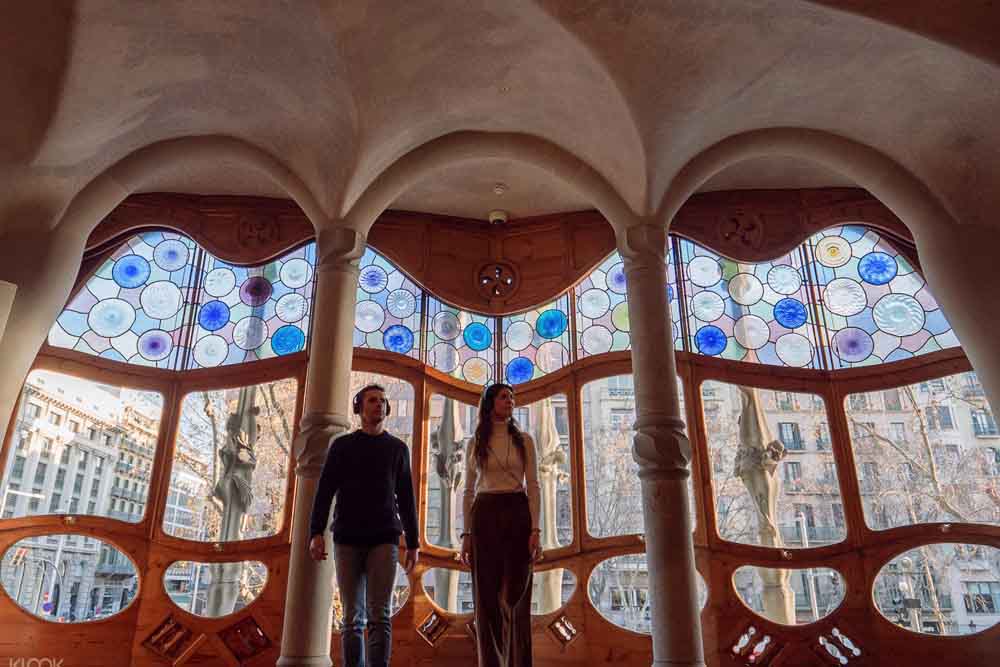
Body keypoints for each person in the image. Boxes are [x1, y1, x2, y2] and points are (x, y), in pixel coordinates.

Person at [309, 383, 419, 667]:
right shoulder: (343, 445)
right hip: (346, 537)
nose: (379, 405)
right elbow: (325, 490)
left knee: (380, 615)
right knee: (351, 618)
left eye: (383, 401)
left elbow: (407, 498)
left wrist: (414, 543)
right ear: (359, 407)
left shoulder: (398, 448)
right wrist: (315, 532)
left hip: (384, 537)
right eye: (372, 400)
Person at [460, 383, 542, 667]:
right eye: (504, 396)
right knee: (487, 597)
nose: (510, 401)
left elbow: (534, 485)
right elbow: (468, 491)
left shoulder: (525, 440)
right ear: (489, 403)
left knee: (516, 595)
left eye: (513, 397)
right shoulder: (476, 442)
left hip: (517, 512)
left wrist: (536, 530)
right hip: (485, 514)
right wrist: (466, 534)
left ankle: (519, 661)